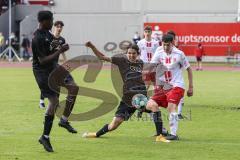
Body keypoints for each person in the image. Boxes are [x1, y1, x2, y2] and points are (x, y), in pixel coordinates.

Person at [82, 41, 169, 143]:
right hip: (128, 99)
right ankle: (96, 134)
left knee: (154, 106)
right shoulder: (121, 61)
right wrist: (92, 46)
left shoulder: (140, 63)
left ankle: (160, 135)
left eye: (134, 53)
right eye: (129, 53)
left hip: (140, 97)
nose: (131, 55)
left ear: (138, 54)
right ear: (126, 53)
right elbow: (102, 57)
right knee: (114, 125)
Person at [32, 10, 79, 152]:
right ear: (44, 21)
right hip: (42, 72)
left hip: (54, 68)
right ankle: (45, 137)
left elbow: (52, 50)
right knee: (54, 102)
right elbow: (43, 60)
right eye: (51, 20)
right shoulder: (37, 38)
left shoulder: (48, 34)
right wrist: (60, 51)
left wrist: (60, 48)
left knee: (74, 88)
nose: (53, 23)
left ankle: (64, 120)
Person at [147, 34, 193, 140]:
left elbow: (189, 69)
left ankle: (173, 134)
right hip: (164, 86)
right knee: (150, 104)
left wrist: (191, 87)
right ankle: (162, 131)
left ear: (172, 43)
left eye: (168, 45)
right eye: (164, 45)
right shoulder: (159, 52)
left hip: (177, 85)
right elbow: (151, 67)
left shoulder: (179, 54)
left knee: (171, 107)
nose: (165, 47)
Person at [39, 20, 67, 109]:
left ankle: (56, 103)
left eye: (61, 27)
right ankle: (41, 101)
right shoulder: (48, 37)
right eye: (57, 26)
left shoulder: (62, 40)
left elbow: (63, 52)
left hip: (55, 64)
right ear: (54, 27)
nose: (59, 28)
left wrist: (66, 61)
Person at [166, 30, 184, 119]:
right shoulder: (161, 50)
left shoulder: (178, 51)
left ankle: (179, 113)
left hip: (177, 79)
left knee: (180, 97)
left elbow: (185, 65)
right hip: (166, 80)